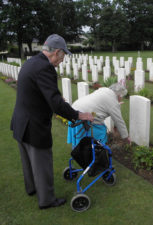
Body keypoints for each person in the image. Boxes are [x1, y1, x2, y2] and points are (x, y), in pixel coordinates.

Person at [10, 34, 94, 210]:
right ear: (56, 52)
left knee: (27, 160)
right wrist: (79, 115)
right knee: (42, 163)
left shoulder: (32, 62)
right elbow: (56, 105)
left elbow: (36, 91)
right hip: (34, 125)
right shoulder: (45, 68)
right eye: (63, 57)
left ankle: (32, 189)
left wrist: (53, 98)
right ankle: (47, 200)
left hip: (21, 122)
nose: (62, 61)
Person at [67, 83, 131, 148]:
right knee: (101, 130)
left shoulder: (103, 90)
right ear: (119, 95)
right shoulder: (113, 102)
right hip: (84, 116)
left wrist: (116, 105)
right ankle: (98, 150)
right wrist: (126, 137)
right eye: (121, 97)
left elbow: (98, 107)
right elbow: (119, 121)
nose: (121, 99)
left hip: (75, 110)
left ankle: (78, 152)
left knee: (79, 140)